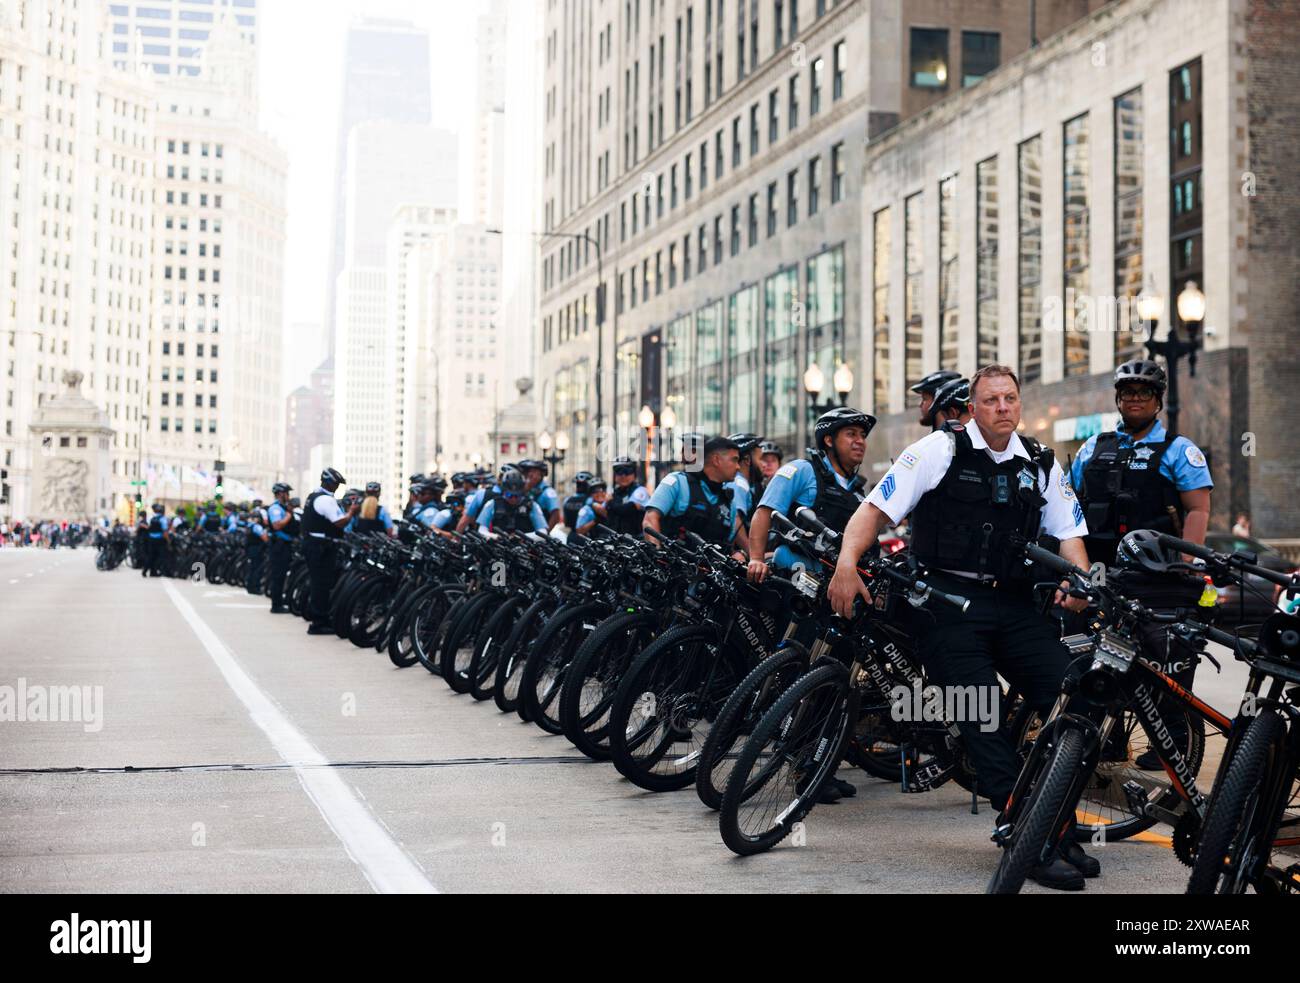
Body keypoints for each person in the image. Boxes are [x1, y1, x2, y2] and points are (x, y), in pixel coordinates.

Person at [828, 364, 1093, 891]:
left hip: (1015, 604)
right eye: (991, 399)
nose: (1002, 407)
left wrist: (1080, 582)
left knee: (1076, 696)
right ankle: (1027, 834)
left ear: (1020, 405)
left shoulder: (1039, 462)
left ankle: (1056, 818)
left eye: (1010, 399)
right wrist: (845, 563)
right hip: (947, 602)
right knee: (981, 713)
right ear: (973, 407)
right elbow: (874, 509)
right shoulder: (937, 451)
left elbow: (1070, 535)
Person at [1071, 358, 1213, 769]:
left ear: (1157, 401)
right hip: (1104, 576)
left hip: (1160, 579)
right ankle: (1109, 740)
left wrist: (1188, 565)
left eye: (1144, 393)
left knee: (1164, 663)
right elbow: (1071, 509)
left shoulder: (1179, 451)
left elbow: (1197, 511)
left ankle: (1173, 745)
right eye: (1128, 392)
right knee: (1098, 657)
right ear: (1118, 398)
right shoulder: (1092, 448)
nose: (1135, 399)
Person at [747, 407, 874, 582]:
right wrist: (756, 559)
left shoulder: (858, 492)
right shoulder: (802, 470)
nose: (860, 441)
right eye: (851, 434)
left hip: (835, 582)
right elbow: (764, 512)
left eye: (862, 435)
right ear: (829, 440)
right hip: (791, 574)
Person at [644, 436, 749, 556]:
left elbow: (732, 546)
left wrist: (741, 555)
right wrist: (657, 555)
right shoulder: (677, 482)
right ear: (716, 460)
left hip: (711, 572)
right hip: (672, 569)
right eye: (734, 460)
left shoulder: (729, 501)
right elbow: (650, 520)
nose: (738, 466)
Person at [302, 468, 358, 636]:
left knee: (318, 583)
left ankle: (319, 618)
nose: (337, 488)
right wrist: (351, 512)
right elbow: (339, 522)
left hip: (313, 544)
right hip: (321, 547)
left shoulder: (313, 496)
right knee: (321, 584)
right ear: (329, 483)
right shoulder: (326, 500)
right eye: (336, 484)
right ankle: (319, 623)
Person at [476, 470, 548, 534]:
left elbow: (543, 531)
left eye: (517, 495)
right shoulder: (492, 504)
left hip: (525, 546)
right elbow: (482, 530)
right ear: (503, 491)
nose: (513, 498)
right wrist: (495, 537)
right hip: (498, 546)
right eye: (509, 495)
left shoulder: (531, 505)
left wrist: (524, 537)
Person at [266, 483, 297, 613]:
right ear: (280, 494)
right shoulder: (276, 509)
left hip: (285, 545)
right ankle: (276, 605)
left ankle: (279, 601)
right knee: (278, 575)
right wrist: (289, 515)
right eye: (286, 493)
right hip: (279, 546)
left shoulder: (283, 508)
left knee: (282, 575)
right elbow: (277, 525)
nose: (288, 496)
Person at [724, 433, 763, 529]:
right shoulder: (739, 484)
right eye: (761, 459)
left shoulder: (741, 483)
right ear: (747, 460)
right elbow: (736, 522)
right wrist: (748, 544)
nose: (764, 464)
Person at [603, 458, 650, 536]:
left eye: (627, 472)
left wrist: (611, 502)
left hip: (637, 539)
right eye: (619, 472)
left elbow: (627, 509)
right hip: (617, 538)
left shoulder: (641, 491)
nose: (623, 476)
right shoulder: (615, 492)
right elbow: (605, 512)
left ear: (634, 474)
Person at [518, 459, 562, 529]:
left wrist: (546, 533)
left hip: (539, 534)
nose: (530, 474)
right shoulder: (527, 488)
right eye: (529, 472)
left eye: (534, 472)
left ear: (542, 474)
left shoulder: (548, 492)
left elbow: (555, 515)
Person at [245, 505, 268, 594]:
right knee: (257, 569)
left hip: (251, 549)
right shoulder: (257, 527)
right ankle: (255, 588)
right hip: (257, 549)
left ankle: (250, 587)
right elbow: (264, 538)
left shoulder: (249, 525)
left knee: (252, 568)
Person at [144, 503, 168, 577]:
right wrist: (168, 541)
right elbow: (165, 532)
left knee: (151, 556)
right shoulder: (163, 519)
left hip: (151, 540)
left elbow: (149, 528)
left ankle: (147, 571)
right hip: (159, 540)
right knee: (160, 556)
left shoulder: (152, 518)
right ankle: (158, 571)